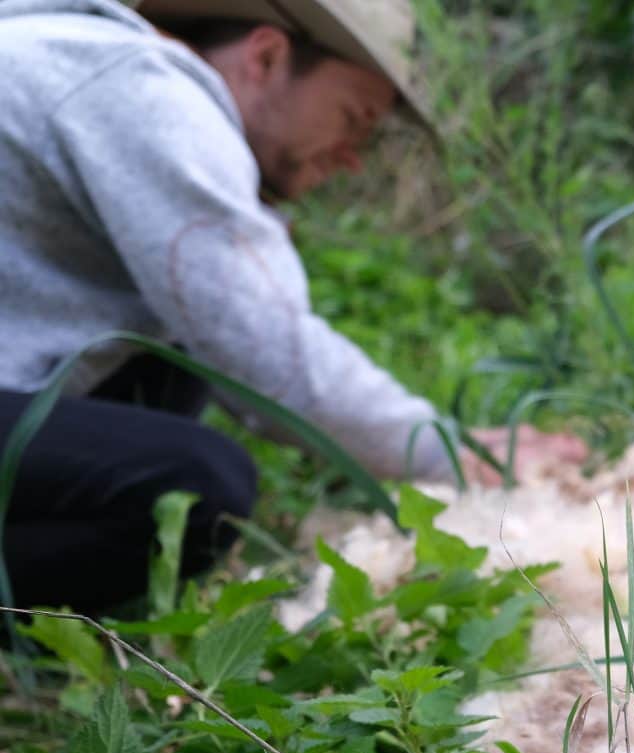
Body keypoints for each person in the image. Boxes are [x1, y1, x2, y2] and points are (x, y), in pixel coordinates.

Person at [0, 0, 581, 616]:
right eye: (353, 118)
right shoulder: (142, 88)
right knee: (198, 488)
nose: (353, 156)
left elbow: (232, 329)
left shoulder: (91, 61)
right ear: (267, 56)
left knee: (177, 354)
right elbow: (267, 349)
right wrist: (449, 457)